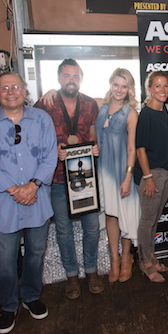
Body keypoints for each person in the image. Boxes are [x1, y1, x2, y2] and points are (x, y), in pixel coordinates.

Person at [0, 73, 57, 334]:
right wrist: (14, 189)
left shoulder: (42, 119)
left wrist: (32, 185)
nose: (11, 92)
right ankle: (9, 306)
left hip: (37, 197)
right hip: (4, 202)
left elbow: (50, 155)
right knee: (5, 259)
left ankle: (31, 297)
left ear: (24, 90)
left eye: (15, 87)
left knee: (34, 253)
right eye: (4, 88)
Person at [34, 58, 102, 299]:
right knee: (63, 230)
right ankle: (72, 276)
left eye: (75, 76)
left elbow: (93, 132)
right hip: (58, 178)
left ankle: (92, 271)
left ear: (81, 79)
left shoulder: (90, 104)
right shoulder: (45, 103)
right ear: (58, 78)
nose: (71, 80)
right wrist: (54, 150)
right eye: (66, 76)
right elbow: (33, 135)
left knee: (92, 228)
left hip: (85, 176)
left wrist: (95, 147)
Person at [94, 68, 140, 283]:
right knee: (110, 214)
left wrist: (128, 177)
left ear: (129, 88)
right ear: (110, 84)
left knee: (125, 215)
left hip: (122, 171)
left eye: (124, 86)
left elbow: (132, 149)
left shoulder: (131, 113)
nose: (119, 89)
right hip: (103, 171)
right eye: (116, 84)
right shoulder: (100, 107)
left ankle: (127, 258)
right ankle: (114, 258)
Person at [135, 71, 168, 283]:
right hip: (151, 174)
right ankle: (144, 262)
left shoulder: (164, 110)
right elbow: (140, 149)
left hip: (166, 172)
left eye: (166, 86)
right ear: (149, 89)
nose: (162, 90)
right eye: (158, 86)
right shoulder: (146, 114)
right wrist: (148, 177)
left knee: (155, 220)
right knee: (147, 221)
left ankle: (151, 254)